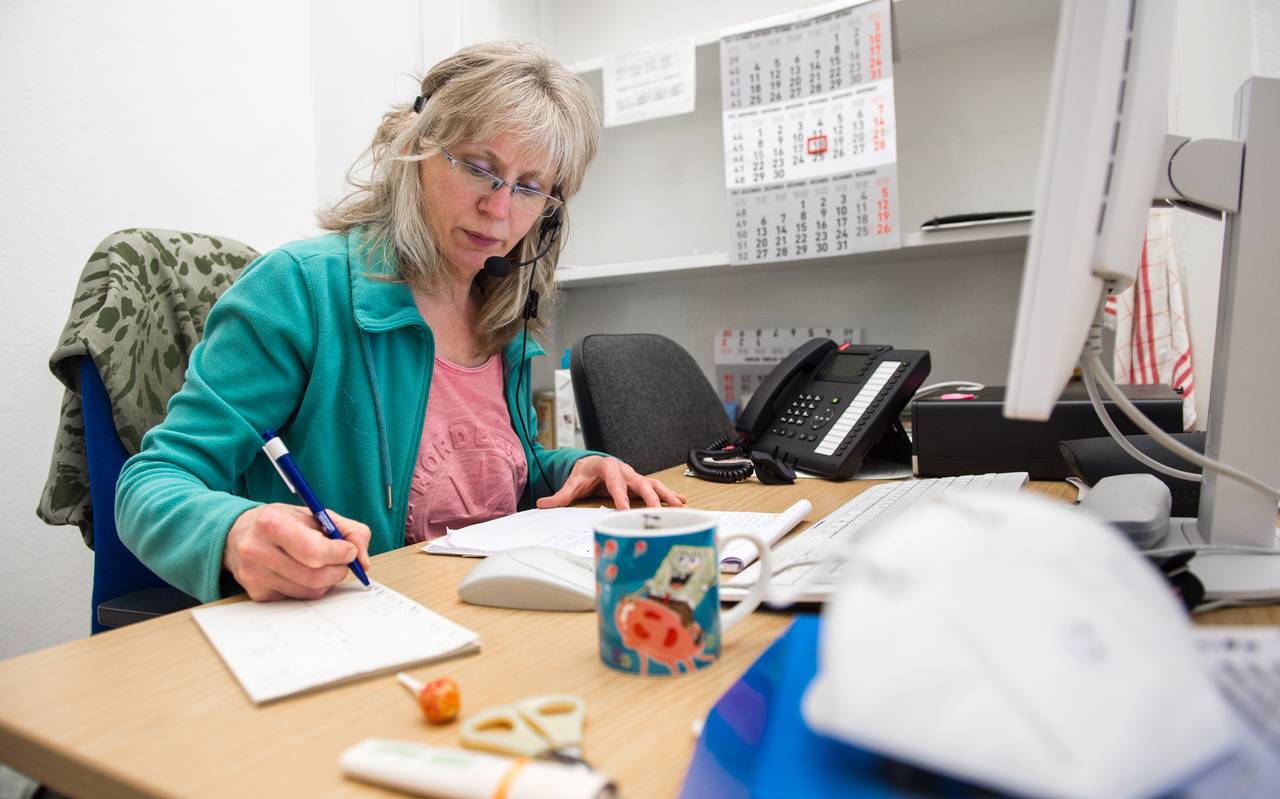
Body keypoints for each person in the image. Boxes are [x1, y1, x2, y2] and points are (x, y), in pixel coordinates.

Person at [115, 41, 685, 604]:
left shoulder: (498, 314)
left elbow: (492, 473)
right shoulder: (299, 289)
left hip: (489, 613)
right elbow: (151, 483)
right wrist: (234, 535)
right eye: (480, 169)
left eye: (530, 188)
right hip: (359, 622)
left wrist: (575, 467)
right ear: (416, 150)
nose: (501, 208)